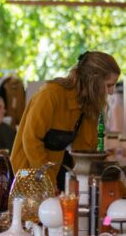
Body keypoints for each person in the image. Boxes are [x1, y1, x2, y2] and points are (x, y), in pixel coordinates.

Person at [11, 51, 120, 188]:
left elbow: (87, 153)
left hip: (56, 176)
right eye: (109, 85)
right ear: (93, 80)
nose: (111, 92)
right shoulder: (51, 95)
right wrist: (49, 181)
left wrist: (117, 186)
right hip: (30, 176)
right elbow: (30, 140)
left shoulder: (89, 106)